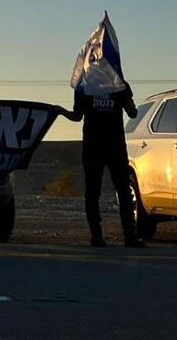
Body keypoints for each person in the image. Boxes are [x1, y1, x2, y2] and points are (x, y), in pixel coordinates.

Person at [62, 82, 144, 248]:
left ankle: (97, 236)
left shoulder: (83, 87)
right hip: (115, 146)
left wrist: (60, 111)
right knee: (123, 191)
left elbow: (77, 116)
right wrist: (126, 100)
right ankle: (130, 236)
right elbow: (133, 113)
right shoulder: (119, 83)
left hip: (93, 146)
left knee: (93, 192)